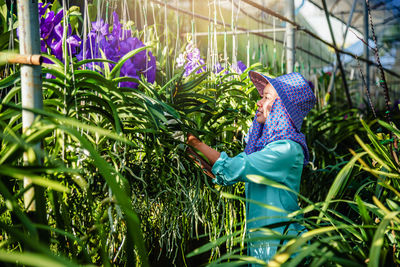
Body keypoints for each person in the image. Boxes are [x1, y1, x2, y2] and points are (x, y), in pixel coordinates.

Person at [186, 71, 316, 264]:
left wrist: (193, 141)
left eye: (266, 97)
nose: (259, 102)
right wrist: (192, 152)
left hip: (282, 249)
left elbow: (232, 168)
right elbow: (225, 172)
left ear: (282, 107)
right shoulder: (269, 147)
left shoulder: (286, 150)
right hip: (264, 248)